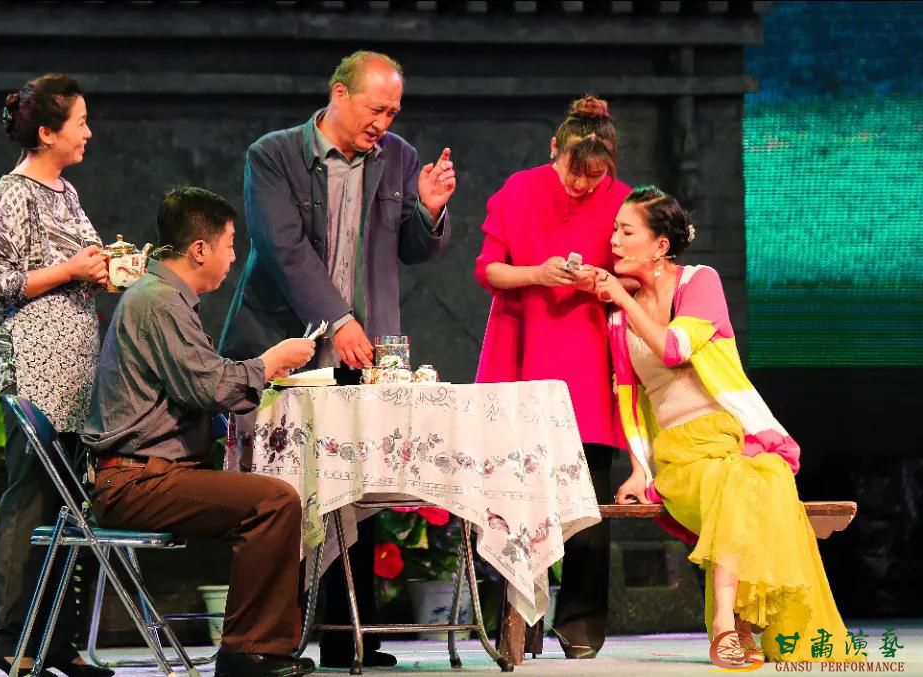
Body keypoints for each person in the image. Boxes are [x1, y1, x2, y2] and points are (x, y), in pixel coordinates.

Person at [218, 50, 455, 668]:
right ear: (339, 94)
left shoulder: (398, 157)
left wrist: (429, 210)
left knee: (360, 483)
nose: (384, 122)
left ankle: (354, 635)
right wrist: (338, 318)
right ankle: (274, 638)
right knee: (288, 489)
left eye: (393, 111)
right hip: (287, 346)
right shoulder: (274, 155)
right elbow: (282, 248)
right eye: (376, 109)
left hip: (365, 349)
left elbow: (414, 248)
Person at [586, 186, 859, 665]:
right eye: (614, 230)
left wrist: (622, 297)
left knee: (765, 477)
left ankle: (733, 628)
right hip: (679, 456)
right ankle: (730, 627)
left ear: (660, 246)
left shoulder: (699, 282)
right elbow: (629, 400)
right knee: (741, 486)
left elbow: (675, 349)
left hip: (731, 440)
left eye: (626, 231)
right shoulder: (618, 320)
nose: (614, 241)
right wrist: (639, 470)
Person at [82, 186, 318, 677]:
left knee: (274, 494)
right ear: (199, 249)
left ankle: (258, 644)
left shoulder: (163, 297)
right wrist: (269, 362)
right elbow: (208, 386)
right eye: (230, 245)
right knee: (274, 501)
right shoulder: (158, 301)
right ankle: (247, 652)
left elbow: (199, 383)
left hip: (151, 472)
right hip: (135, 479)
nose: (233, 257)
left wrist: (256, 375)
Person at [473, 94, 630, 659]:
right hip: (523, 345)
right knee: (512, 489)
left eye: (595, 176)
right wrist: (537, 273)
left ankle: (580, 624)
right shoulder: (519, 190)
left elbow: (640, 276)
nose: (583, 185)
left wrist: (603, 281)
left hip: (588, 353)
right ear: (553, 150)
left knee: (587, 495)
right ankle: (513, 623)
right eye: (573, 171)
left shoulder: (623, 201)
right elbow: (490, 269)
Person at [0, 73, 114, 677]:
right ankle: (7, 636)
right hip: (33, 366)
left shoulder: (66, 191)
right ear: (49, 132)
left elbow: (77, 266)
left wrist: (102, 272)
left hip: (76, 368)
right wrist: (69, 270)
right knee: (30, 497)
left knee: (69, 506)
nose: (88, 132)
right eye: (80, 122)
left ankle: (56, 640)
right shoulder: (14, 193)